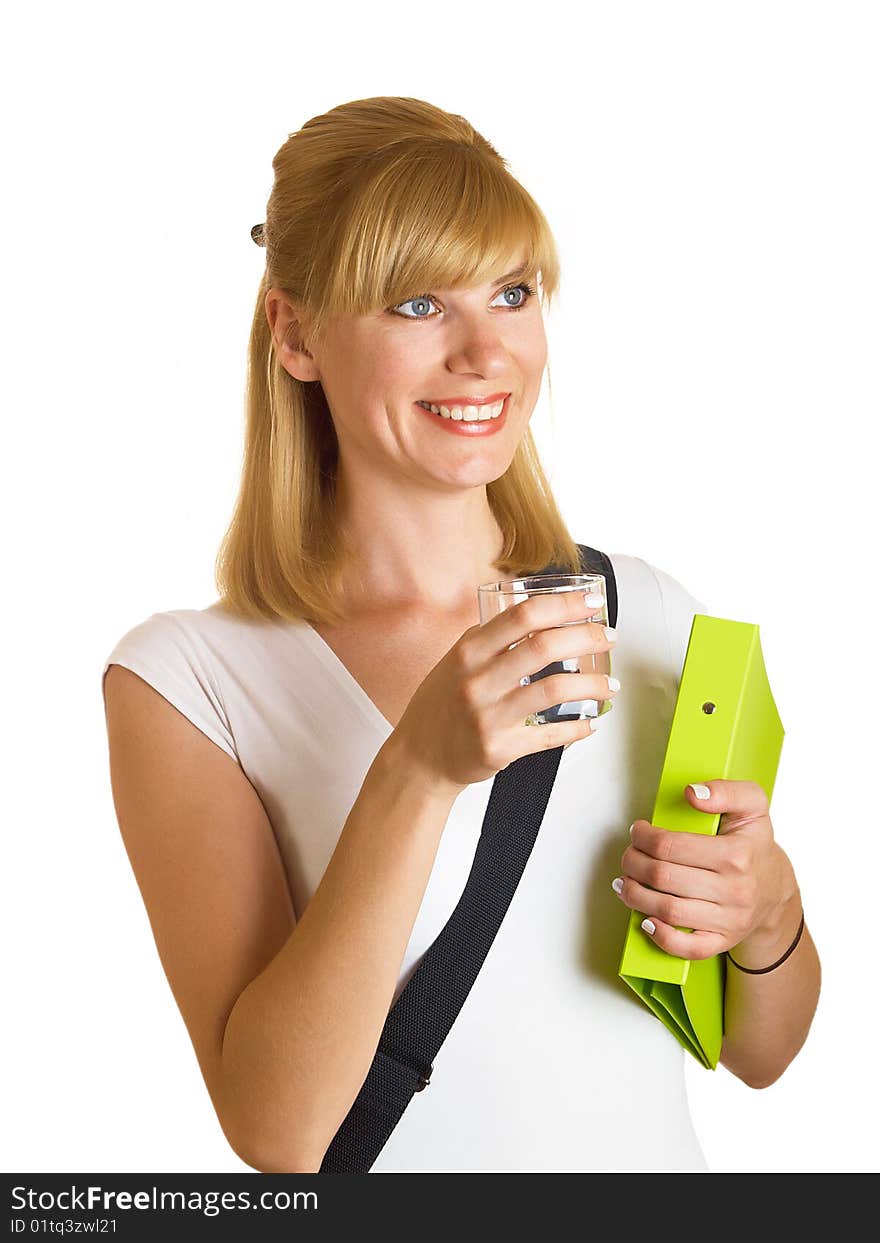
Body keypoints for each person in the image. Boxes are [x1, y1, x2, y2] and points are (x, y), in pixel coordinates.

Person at [101, 95, 821, 1174]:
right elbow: (277, 1133)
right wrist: (417, 771)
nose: (486, 354)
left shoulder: (653, 616)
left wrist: (768, 913)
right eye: (417, 304)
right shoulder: (190, 681)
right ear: (295, 332)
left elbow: (759, 1053)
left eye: (513, 293)